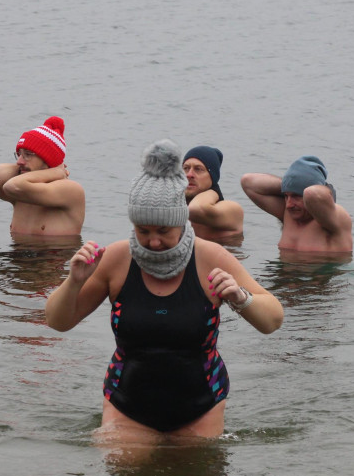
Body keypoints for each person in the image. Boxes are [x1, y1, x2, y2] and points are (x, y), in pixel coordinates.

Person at [45, 140, 283, 439]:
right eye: (143, 231)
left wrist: (240, 297)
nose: (153, 242)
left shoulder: (210, 257)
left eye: (163, 232)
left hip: (201, 405)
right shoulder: (116, 259)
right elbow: (58, 321)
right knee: (121, 471)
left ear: (181, 224)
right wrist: (74, 281)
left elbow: (273, 320)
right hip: (127, 403)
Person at [0, 116, 85, 236]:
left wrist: (55, 170)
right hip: (15, 253)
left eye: (28, 155)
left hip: (52, 253)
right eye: (19, 154)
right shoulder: (21, 191)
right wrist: (54, 170)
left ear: (47, 159)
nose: (19, 162)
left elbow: (12, 186)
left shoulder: (70, 189)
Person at [241, 156, 353, 253]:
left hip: (318, 276)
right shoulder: (288, 214)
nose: (289, 204)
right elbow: (248, 182)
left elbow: (312, 193)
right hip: (283, 275)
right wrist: (289, 184)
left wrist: (322, 189)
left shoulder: (335, 219)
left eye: (296, 196)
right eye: (286, 196)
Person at [183, 145, 244, 240]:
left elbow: (196, 209)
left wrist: (214, 191)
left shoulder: (231, 210)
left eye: (198, 169)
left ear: (212, 177)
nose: (189, 174)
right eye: (186, 168)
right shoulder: (174, 206)